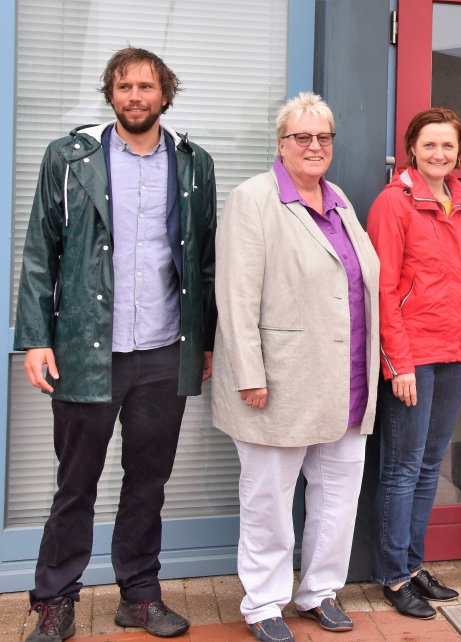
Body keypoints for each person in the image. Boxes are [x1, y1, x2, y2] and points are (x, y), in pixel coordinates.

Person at [15, 47, 216, 641]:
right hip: (85, 349)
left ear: (164, 94)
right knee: (75, 482)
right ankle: (54, 600)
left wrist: (201, 344)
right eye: (124, 86)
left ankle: (140, 595)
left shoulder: (193, 164)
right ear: (111, 93)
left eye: (146, 86)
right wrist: (35, 338)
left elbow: (203, 260)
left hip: (161, 351)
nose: (135, 96)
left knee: (148, 481)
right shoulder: (70, 158)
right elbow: (37, 253)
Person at [213, 93, 380, 642]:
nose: (314, 146)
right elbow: (236, 296)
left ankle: (319, 591)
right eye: (302, 137)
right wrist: (249, 374)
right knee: (268, 499)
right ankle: (263, 603)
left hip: (346, 382)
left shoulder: (341, 202)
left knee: (336, 496)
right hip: (279, 381)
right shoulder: (253, 199)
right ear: (281, 144)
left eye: (324, 137)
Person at [367, 108, 461, 619]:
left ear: (458, 153)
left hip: (456, 353)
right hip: (414, 357)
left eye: (448, 147)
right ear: (412, 148)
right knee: (401, 469)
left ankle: (414, 565)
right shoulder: (392, 204)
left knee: (427, 469)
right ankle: (393, 576)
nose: (439, 154)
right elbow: (384, 288)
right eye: (430, 145)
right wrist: (398, 363)